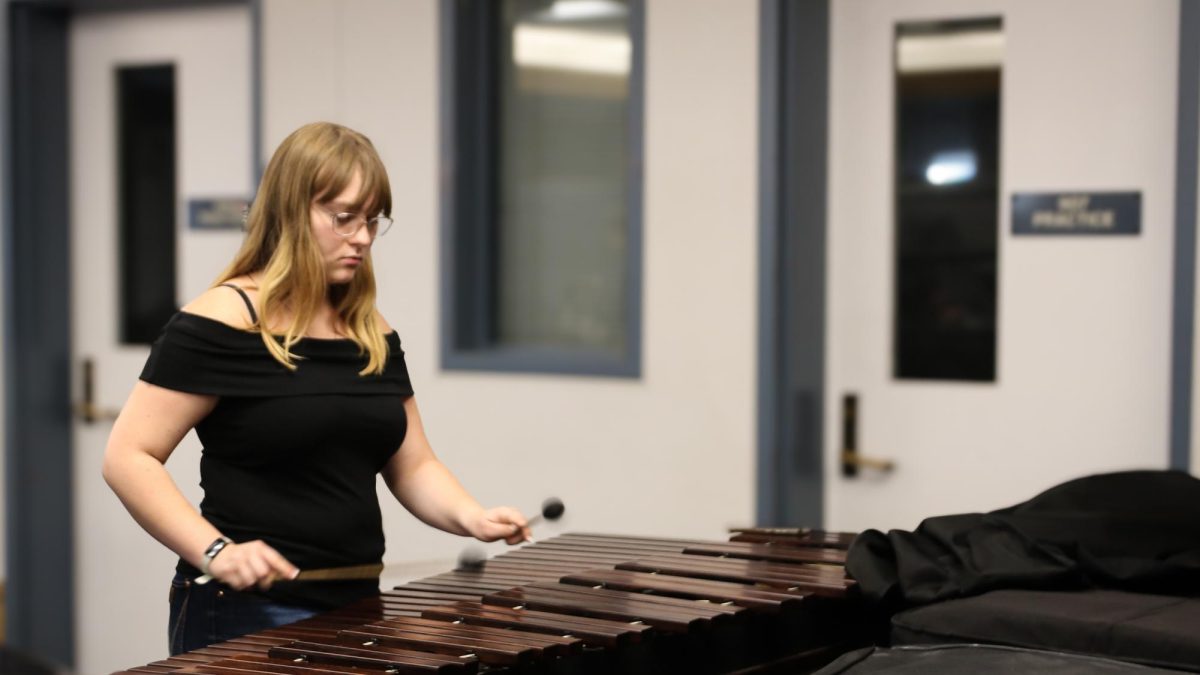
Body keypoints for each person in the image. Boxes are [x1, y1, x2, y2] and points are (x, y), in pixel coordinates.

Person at [102, 121, 532, 655]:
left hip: (355, 600)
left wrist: (471, 516)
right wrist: (216, 551)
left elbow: (413, 464)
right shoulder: (222, 321)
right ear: (290, 213)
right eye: (343, 218)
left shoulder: (370, 329)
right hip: (244, 609)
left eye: (372, 220)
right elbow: (128, 457)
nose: (363, 237)